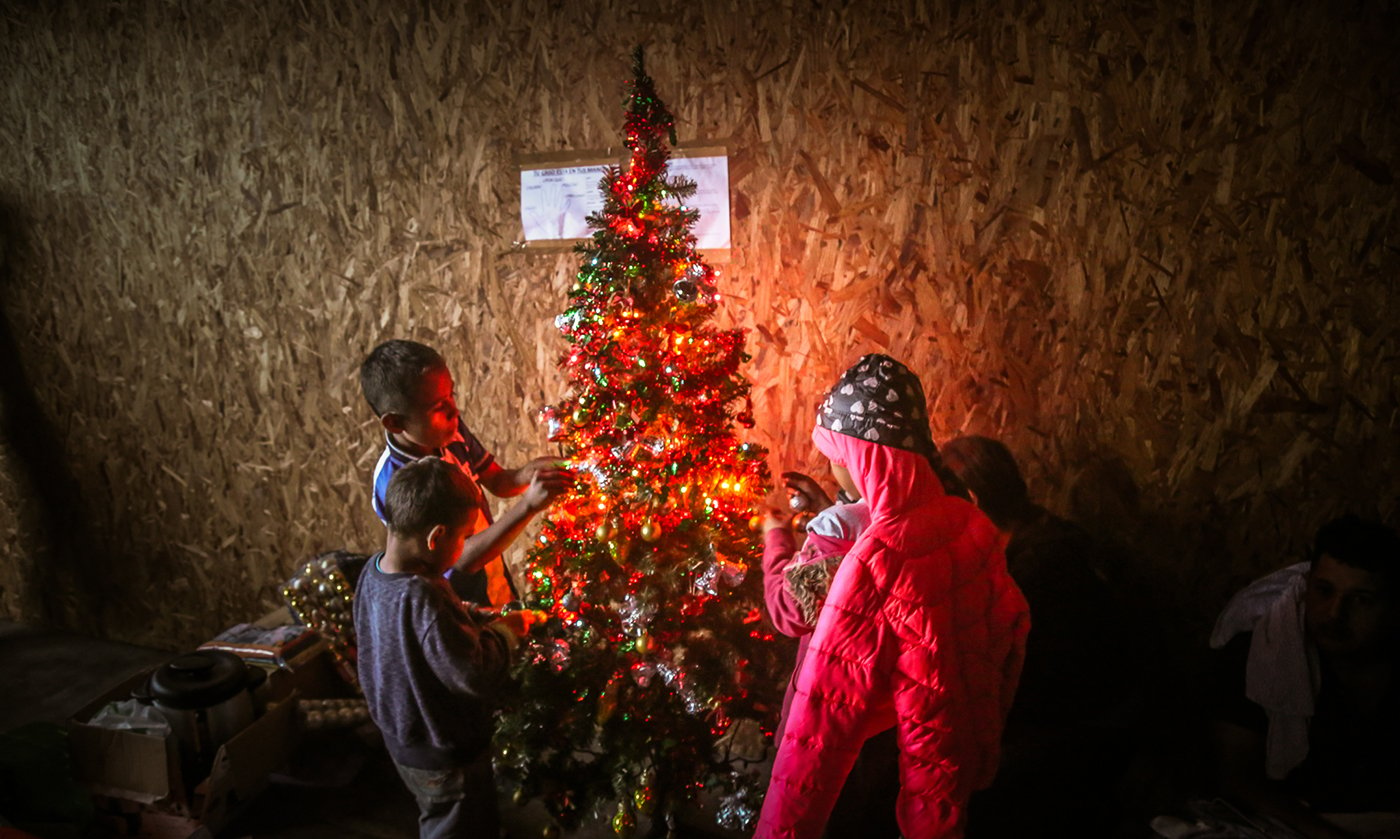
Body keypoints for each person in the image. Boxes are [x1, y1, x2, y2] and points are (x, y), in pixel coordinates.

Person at [755, 354, 1030, 839]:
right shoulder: (963, 519)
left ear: (863, 457)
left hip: (858, 747)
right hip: (921, 745)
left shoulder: (870, 551)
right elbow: (1010, 626)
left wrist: (776, 537)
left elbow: (789, 613)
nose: (834, 466)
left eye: (837, 456)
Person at [940, 435, 1140, 836]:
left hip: (1072, 745)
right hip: (1061, 731)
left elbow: (1027, 689)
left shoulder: (1039, 570)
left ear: (972, 501)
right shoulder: (1036, 536)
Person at [354, 457, 545, 838]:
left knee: (457, 815)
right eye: (462, 537)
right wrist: (507, 633)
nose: (463, 546)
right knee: (455, 822)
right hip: (443, 750)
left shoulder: (373, 573)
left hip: (402, 738)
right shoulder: (424, 593)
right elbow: (471, 672)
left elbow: (415, 631)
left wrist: (472, 614)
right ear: (436, 537)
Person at [1207, 515, 1400, 839]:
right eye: (1324, 591)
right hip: (1291, 822)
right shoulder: (1263, 652)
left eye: (1361, 600)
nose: (1335, 613)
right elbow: (1234, 770)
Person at [359, 339, 572, 607]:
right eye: (439, 407)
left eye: (452, 396)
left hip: (495, 579)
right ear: (395, 422)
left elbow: (498, 481)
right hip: (459, 606)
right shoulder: (398, 483)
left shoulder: (449, 431)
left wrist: (530, 473)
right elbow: (462, 559)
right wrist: (528, 506)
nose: (454, 411)